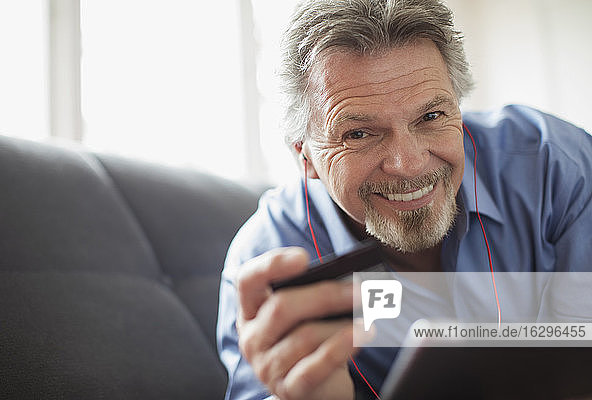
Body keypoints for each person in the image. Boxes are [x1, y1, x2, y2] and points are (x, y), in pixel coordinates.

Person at [216, 0, 592, 399]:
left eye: (430, 117)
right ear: (305, 158)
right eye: (359, 134)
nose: (408, 164)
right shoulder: (266, 266)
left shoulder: (557, 167)